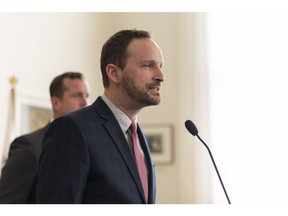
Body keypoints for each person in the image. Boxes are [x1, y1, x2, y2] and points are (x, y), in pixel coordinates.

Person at [37, 29, 165, 204]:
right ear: (114, 73)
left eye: (160, 66)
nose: (160, 76)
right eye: (148, 65)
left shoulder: (136, 134)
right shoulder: (72, 129)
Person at [0, 72, 90, 204]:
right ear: (55, 102)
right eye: (77, 95)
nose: (85, 102)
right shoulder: (29, 146)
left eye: (87, 96)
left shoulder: (93, 145)